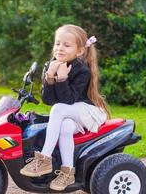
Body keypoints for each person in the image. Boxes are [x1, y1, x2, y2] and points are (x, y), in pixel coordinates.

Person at [20, 24, 110, 191]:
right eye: (57, 43)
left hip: (85, 111)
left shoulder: (82, 71)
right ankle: (68, 173)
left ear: (80, 51)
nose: (60, 48)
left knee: (58, 109)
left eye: (66, 45)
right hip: (69, 115)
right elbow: (48, 100)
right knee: (65, 126)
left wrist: (62, 78)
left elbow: (68, 101)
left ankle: (44, 159)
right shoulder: (50, 65)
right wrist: (49, 77)